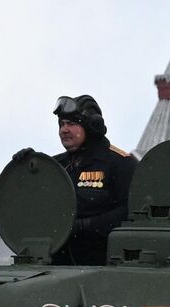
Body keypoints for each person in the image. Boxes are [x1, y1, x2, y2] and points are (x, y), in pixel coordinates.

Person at [47, 94, 136, 266]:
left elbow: (130, 212)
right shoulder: (55, 166)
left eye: (72, 124)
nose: (64, 130)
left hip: (103, 265)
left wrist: (85, 225)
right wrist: (28, 167)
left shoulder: (120, 163)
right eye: (62, 124)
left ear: (92, 126)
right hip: (58, 264)